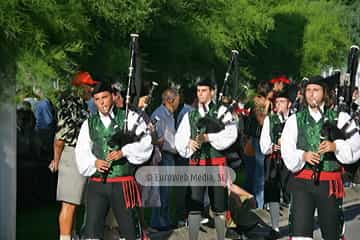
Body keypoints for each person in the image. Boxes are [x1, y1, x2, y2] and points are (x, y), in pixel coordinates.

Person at [281, 75, 360, 240]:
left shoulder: (340, 118)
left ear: (325, 93)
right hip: (302, 182)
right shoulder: (295, 120)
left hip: (329, 183)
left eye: (316, 90)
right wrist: (303, 155)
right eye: (308, 90)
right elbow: (287, 149)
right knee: (299, 235)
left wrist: (335, 146)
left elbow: (355, 147)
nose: (311, 94)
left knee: (332, 234)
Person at [75, 81, 153, 240]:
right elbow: (81, 151)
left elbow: (146, 144)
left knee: (130, 230)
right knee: (91, 231)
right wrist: (94, 162)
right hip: (97, 183)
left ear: (113, 96)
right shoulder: (89, 124)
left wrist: (124, 152)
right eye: (97, 99)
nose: (101, 102)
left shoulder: (129, 118)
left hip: (122, 183)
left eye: (104, 97)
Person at [175, 78, 238, 240]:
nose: (200, 94)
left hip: (216, 164)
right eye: (198, 91)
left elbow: (231, 134)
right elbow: (179, 139)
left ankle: (221, 237)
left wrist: (208, 137)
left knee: (219, 204)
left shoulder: (222, 111)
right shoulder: (191, 114)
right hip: (197, 164)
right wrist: (188, 143)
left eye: (204, 90)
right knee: (195, 204)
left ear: (212, 92)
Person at [48, 71, 98, 240]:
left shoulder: (81, 105)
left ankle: (73, 235)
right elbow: (60, 136)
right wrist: (56, 159)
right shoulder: (69, 104)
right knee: (69, 203)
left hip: (80, 154)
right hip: (71, 154)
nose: (91, 89)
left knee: (75, 202)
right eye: (89, 85)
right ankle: (65, 237)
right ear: (79, 87)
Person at [260, 86, 294, 238]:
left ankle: (295, 224)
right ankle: (275, 227)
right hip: (273, 160)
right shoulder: (270, 119)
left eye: (282, 101)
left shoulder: (295, 119)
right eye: (277, 101)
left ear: (289, 104)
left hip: (290, 162)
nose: (279, 104)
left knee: (291, 193)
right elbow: (263, 143)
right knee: (273, 193)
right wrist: (272, 146)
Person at [150, 87, 180, 231]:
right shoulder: (159, 115)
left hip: (169, 156)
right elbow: (154, 136)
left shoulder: (169, 114)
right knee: (162, 191)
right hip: (163, 156)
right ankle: (158, 222)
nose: (178, 103)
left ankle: (165, 219)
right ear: (170, 100)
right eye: (177, 100)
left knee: (167, 192)